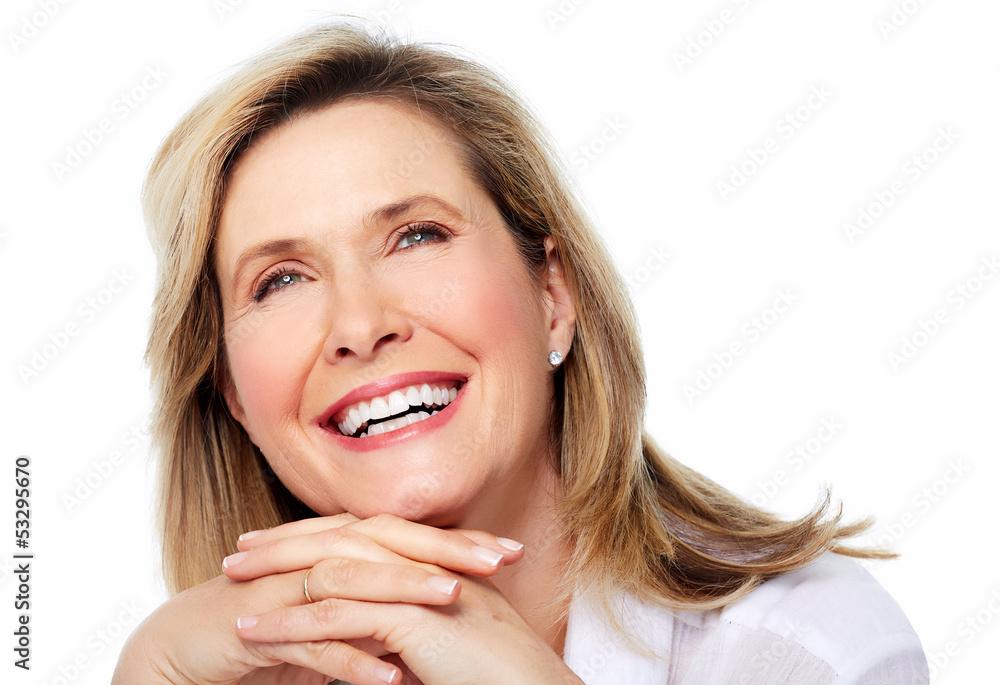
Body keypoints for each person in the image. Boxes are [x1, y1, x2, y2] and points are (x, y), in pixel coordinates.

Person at [113, 19, 929, 685]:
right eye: (281, 280)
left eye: (417, 235)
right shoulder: (209, 673)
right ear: (232, 393)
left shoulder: (811, 650)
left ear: (552, 294)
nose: (359, 325)